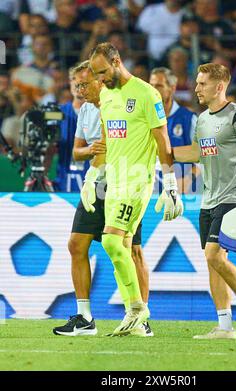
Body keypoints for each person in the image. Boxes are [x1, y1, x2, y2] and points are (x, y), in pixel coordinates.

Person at [81, 42, 183, 336]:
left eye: (103, 72)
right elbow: (105, 139)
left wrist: (171, 184)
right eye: (96, 75)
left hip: (137, 181)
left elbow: (163, 140)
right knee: (120, 248)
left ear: (117, 60)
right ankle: (135, 319)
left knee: (112, 242)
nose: (100, 79)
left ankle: (138, 309)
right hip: (113, 182)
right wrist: (92, 177)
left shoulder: (145, 93)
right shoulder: (107, 95)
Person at [53, 61, 153, 337]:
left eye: (84, 84)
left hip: (126, 182)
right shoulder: (85, 110)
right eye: (76, 85)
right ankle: (85, 318)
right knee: (76, 244)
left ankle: (140, 317)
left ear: (100, 81)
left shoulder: (119, 103)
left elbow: (118, 145)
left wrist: (97, 156)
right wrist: (90, 151)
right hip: (95, 185)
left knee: (131, 250)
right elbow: (76, 152)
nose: (80, 90)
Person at [173, 63, 236, 339]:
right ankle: (225, 325)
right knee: (212, 260)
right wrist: (161, 151)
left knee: (214, 255)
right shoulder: (202, 120)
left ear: (219, 86)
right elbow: (197, 154)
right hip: (208, 200)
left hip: (234, 198)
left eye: (202, 84)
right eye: (197, 83)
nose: (197, 88)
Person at [149, 66, 198, 194]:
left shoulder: (188, 118)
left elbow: (205, 155)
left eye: (159, 86)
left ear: (172, 88)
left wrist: (188, 180)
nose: (153, 90)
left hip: (181, 192)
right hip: (149, 192)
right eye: (151, 86)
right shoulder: (143, 120)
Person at [54, 66, 86, 192]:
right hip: (64, 184)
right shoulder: (57, 113)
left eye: (82, 79)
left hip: (95, 186)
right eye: (73, 78)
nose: (77, 83)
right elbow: (49, 151)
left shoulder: (103, 113)